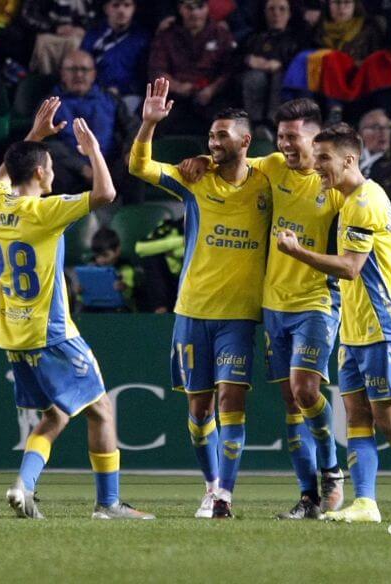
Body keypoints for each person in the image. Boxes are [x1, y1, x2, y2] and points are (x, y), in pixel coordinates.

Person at [177, 97, 346, 520]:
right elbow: (230, 160)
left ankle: (332, 470)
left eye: (294, 137)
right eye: (282, 136)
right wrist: (201, 157)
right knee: (292, 401)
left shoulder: (337, 187)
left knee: (308, 390)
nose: (286, 144)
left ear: (316, 136)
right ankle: (308, 497)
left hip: (317, 301)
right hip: (274, 305)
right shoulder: (269, 167)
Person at [0, 97, 153, 520]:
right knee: (101, 409)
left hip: (14, 332)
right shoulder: (43, 210)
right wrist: (93, 150)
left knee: (56, 414)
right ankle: (108, 504)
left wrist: (33, 137)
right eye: (51, 168)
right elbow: (106, 193)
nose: (54, 174)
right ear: (41, 173)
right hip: (53, 330)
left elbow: (4, 173)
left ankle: (23, 486)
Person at [275, 122, 391, 524]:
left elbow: (351, 269)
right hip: (354, 332)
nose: (316, 166)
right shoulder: (351, 198)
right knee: (357, 417)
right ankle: (367, 503)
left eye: (324, 159)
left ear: (349, 159)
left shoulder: (363, 203)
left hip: (383, 328)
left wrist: (298, 252)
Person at [130, 79, 271, 519]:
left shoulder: (268, 181)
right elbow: (140, 166)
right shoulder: (196, 178)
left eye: (222, 135)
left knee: (231, 399)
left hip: (239, 316)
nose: (213, 142)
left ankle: (225, 496)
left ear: (245, 141)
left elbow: (300, 160)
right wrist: (149, 124)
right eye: (211, 135)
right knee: (198, 408)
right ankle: (210, 486)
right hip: (192, 311)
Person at [46, 50, 136, 195]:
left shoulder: (110, 99)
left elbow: (133, 127)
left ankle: (134, 215)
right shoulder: (50, 105)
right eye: (73, 70)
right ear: (62, 74)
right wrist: (82, 168)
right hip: (72, 171)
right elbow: (49, 142)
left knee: (137, 162)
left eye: (85, 70)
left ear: (93, 74)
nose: (79, 75)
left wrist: (129, 152)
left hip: (111, 166)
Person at [147, 0, 237, 135]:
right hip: (175, 97)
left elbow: (229, 70)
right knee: (155, 118)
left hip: (212, 96)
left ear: (207, 8)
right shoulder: (166, 35)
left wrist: (211, 90)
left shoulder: (221, 34)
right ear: (180, 9)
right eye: (189, 8)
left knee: (226, 123)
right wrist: (179, 87)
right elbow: (157, 71)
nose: (195, 13)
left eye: (200, 7)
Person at [239, 0, 304, 134]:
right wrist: (249, 59)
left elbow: (302, 60)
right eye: (271, 9)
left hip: (284, 79)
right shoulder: (254, 37)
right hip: (256, 78)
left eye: (282, 9)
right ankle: (255, 124)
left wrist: (282, 64)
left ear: (290, 13)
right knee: (255, 77)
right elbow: (236, 57)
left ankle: (273, 123)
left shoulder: (299, 37)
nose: (276, 14)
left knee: (281, 77)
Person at [81, 0, 151, 112]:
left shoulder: (143, 38)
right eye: (116, 5)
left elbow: (145, 75)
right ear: (106, 9)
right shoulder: (93, 35)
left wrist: (121, 90)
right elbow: (82, 66)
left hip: (130, 96)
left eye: (127, 5)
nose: (121, 10)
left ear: (134, 8)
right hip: (94, 94)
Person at [20, 0, 98, 75]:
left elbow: (100, 16)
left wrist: (84, 29)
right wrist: (54, 28)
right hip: (49, 30)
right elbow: (29, 14)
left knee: (76, 43)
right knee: (45, 41)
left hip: (82, 33)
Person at [77, 226, 135, 312]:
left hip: (117, 309)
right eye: (97, 256)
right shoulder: (91, 268)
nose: (101, 260)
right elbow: (81, 298)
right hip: (93, 308)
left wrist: (123, 287)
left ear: (117, 251)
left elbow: (129, 294)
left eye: (105, 255)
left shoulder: (125, 268)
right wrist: (80, 291)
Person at [134, 217, 183, 313]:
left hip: (189, 280)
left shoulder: (208, 227)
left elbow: (184, 252)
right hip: (169, 283)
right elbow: (141, 248)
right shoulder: (169, 226)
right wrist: (182, 241)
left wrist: (165, 248)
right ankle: (160, 310)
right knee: (151, 258)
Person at [358, 108, 391, 201]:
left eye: (386, 127)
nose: (383, 132)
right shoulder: (349, 157)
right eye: (375, 127)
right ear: (361, 133)